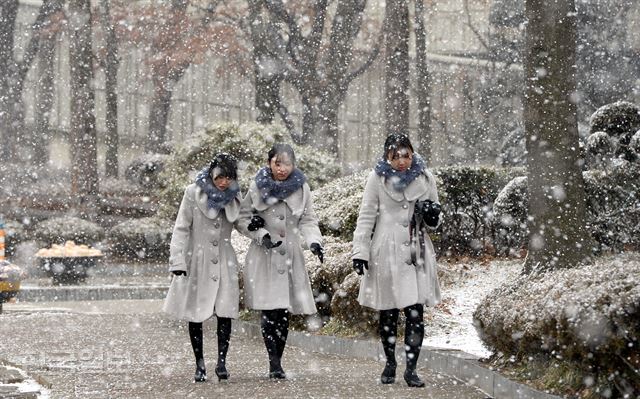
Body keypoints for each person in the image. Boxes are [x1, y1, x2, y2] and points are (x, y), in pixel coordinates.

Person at [351, 133, 442, 388]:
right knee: (388, 312)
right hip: (386, 251)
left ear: (412, 154)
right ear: (387, 157)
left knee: (416, 312)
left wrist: (433, 215)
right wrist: (360, 251)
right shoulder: (377, 178)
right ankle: (390, 361)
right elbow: (366, 216)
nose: (402, 161)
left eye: (406, 155)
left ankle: (411, 369)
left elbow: (435, 214)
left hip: (416, 251)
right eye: (395, 156)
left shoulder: (425, 177)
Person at [237, 143, 324, 379]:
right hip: (265, 254)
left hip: (290, 256)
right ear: (269, 163)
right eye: (277, 163)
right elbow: (242, 217)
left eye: (286, 163)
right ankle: (273, 362)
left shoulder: (302, 188)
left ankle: (278, 360)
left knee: (283, 312)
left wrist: (314, 241)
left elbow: (308, 219)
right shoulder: (257, 186)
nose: (282, 168)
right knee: (269, 310)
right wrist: (257, 230)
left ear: (293, 164)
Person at [162, 153, 242, 383]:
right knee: (196, 313)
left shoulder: (235, 198)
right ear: (211, 174)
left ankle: (222, 362)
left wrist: (261, 232)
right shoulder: (192, 193)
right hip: (197, 261)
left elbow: (244, 222)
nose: (223, 182)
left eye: (228, 177)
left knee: (225, 313)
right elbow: (181, 228)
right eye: (220, 176)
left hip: (225, 260)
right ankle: (199, 363)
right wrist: (177, 261)